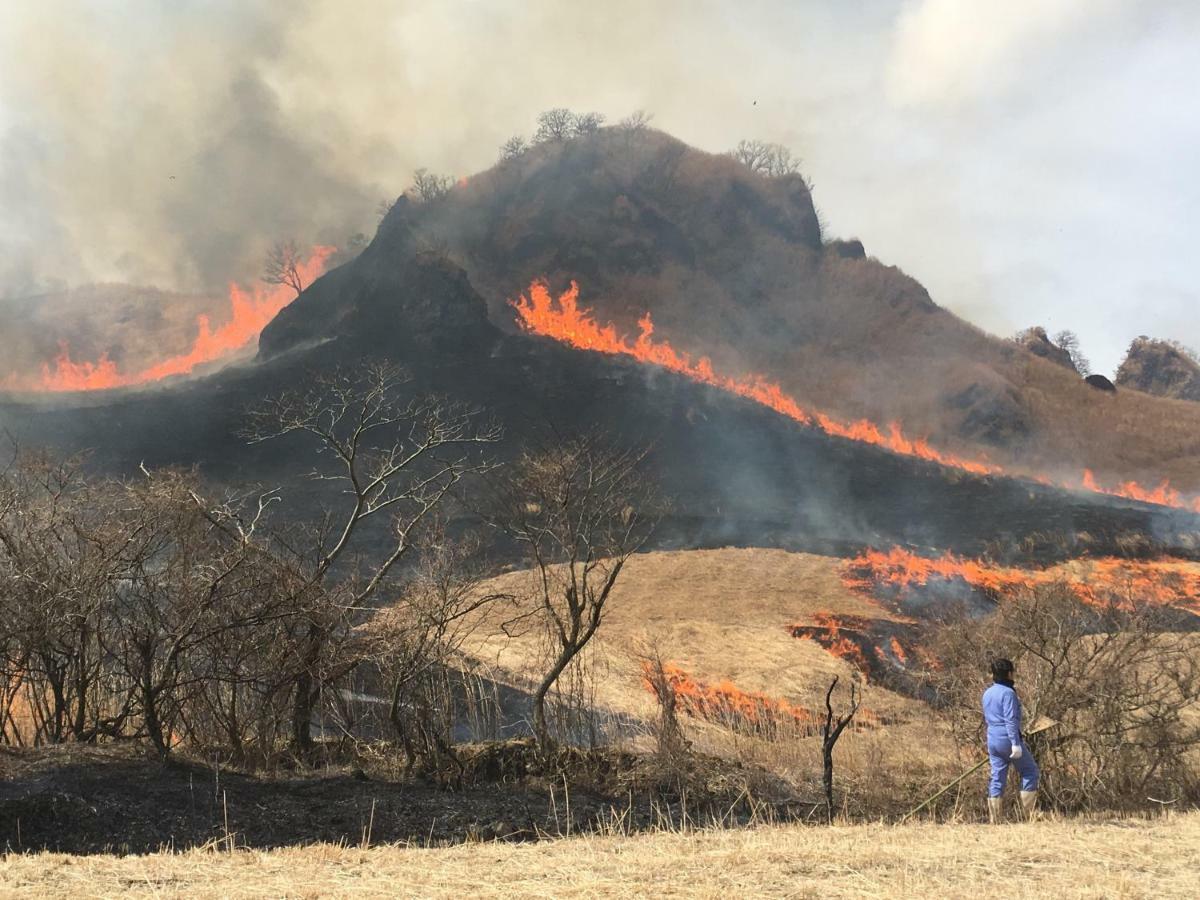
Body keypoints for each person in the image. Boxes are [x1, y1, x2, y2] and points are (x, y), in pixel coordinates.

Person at [982, 657, 1039, 822]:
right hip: (1007, 738)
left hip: (992, 738)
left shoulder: (987, 693)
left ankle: (995, 819)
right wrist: (1015, 743)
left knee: (997, 777)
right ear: (1008, 674)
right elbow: (1010, 720)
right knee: (1030, 771)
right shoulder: (1008, 693)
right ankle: (1027, 815)